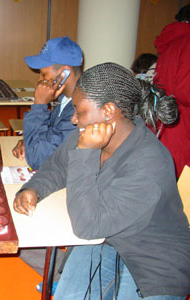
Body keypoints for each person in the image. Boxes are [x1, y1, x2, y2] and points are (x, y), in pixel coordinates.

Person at [14, 62, 190, 299]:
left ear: (108, 111)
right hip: (108, 241)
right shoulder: (90, 135)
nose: (74, 120)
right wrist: (34, 188)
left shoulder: (150, 162)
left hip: (155, 261)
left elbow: (87, 226)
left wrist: (85, 153)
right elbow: (57, 166)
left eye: (80, 111)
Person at [12, 36, 82, 170]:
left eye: (44, 75)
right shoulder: (65, 99)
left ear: (65, 73)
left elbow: (37, 159)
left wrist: (40, 105)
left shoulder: (80, 111)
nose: (40, 81)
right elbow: (50, 134)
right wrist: (28, 141)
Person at [153, 4, 190, 178]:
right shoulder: (187, 41)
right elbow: (185, 90)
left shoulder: (171, 42)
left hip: (164, 122)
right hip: (183, 125)